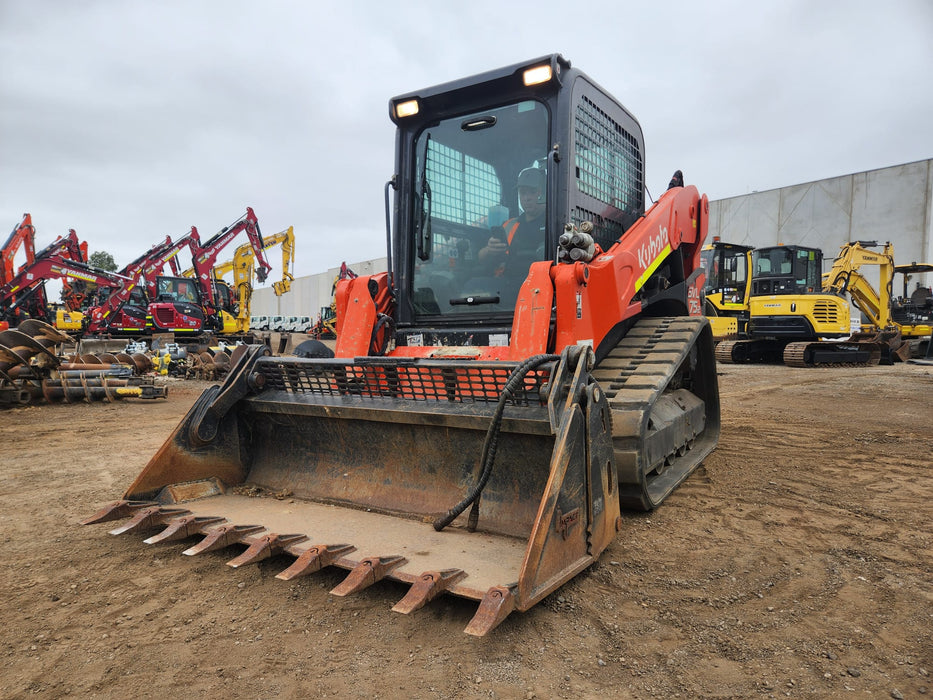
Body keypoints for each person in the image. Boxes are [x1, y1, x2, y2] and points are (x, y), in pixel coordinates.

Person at [478, 167, 546, 274]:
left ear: (543, 193)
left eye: (532, 192)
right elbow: (481, 258)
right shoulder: (509, 226)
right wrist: (489, 250)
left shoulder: (555, 223)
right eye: (523, 193)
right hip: (510, 284)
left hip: (543, 283)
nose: (527, 198)